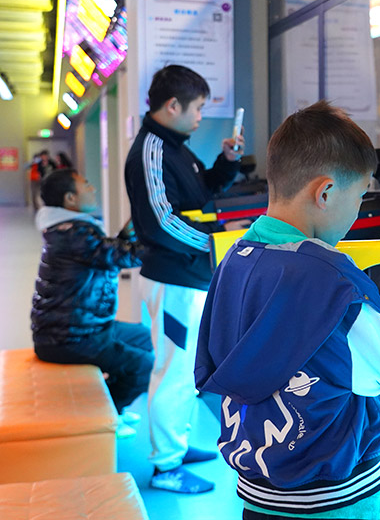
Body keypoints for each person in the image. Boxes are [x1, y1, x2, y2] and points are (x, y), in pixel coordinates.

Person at [195, 100, 380, 520]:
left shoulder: (237, 259)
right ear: (325, 192)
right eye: (359, 196)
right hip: (340, 501)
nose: (359, 210)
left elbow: (292, 339)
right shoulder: (331, 277)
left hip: (263, 495)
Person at [124, 64, 244, 493]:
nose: (200, 117)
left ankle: (176, 443)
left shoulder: (176, 148)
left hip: (188, 277)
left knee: (184, 369)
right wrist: (217, 242)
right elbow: (162, 222)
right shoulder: (151, 150)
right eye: (197, 108)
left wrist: (227, 163)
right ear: (173, 105)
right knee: (173, 371)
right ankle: (166, 467)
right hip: (172, 279)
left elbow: (200, 194)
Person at [31, 169, 154, 438]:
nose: (93, 189)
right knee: (144, 365)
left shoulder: (71, 228)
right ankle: (106, 416)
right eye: (86, 184)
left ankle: (106, 408)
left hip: (81, 328)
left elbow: (107, 252)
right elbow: (123, 256)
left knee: (145, 337)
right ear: (70, 198)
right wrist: (166, 243)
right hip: (68, 338)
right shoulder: (73, 233)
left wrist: (130, 230)